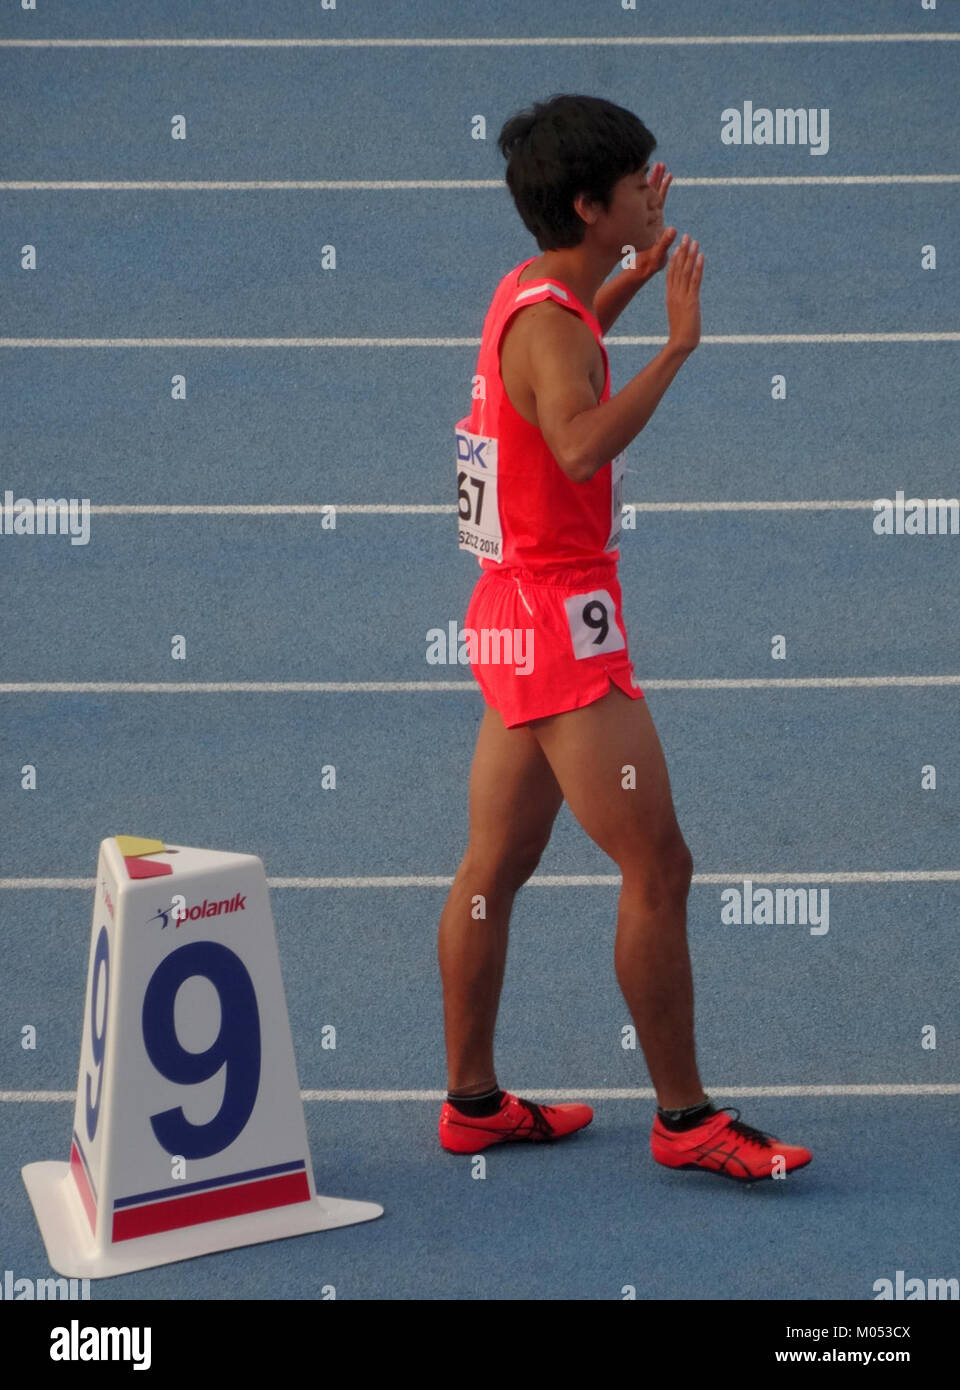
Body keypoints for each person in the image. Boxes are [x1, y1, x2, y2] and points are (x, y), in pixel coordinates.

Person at [438, 94, 811, 1181]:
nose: (661, 189)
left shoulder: (535, 288)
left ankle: (471, 1102)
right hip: (561, 624)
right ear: (592, 204)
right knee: (660, 864)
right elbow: (579, 442)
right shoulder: (556, 325)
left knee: (493, 866)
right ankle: (687, 1121)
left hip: (507, 614)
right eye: (644, 182)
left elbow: (562, 339)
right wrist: (679, 346)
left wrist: (630, 282)